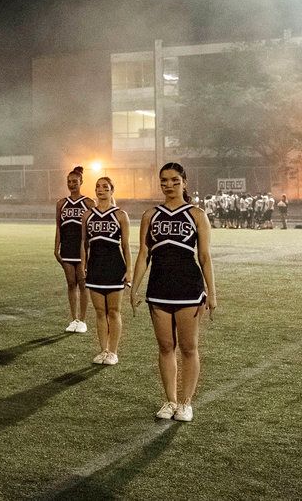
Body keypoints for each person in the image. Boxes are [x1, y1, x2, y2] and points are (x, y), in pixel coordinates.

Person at [131, 162, 217, 422]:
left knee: (189, 348)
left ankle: (186, 402)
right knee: (165, 346)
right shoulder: (150, 215)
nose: (169, 185)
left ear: (184, 182)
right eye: (164, 181)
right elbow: (144, 253)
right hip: (158, 288)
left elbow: (204, 256)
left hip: (189, 288)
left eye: (174, 180)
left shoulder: (197, 214)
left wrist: (212, 294)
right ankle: (170, 400)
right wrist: (133, 287)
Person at [78, 177, 131, 365]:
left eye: (105, 187)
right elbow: (84, 244)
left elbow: (125, 246)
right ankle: (103, 350)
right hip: (95, 267)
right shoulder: (87, 215)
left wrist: (129, 270)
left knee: (114, 311)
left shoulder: (120, 215)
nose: (101, 190)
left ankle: (114, 352)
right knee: (100, 312)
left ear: (112, 190)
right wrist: (84, 265)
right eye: (98, 187)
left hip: (115, 266)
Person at [54, 166, 93, 333]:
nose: (71, 184)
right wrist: (56, 248)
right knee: (71, 284)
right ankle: (74, 319)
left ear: (81, 182)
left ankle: (83, 320)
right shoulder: (61, 203)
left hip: (82, 250)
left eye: (75, 182)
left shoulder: (89, 203)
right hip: (67, 249)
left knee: (83, 284)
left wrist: (90, 252)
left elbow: (92, 230)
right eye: (69, 182)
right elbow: (58, 227)